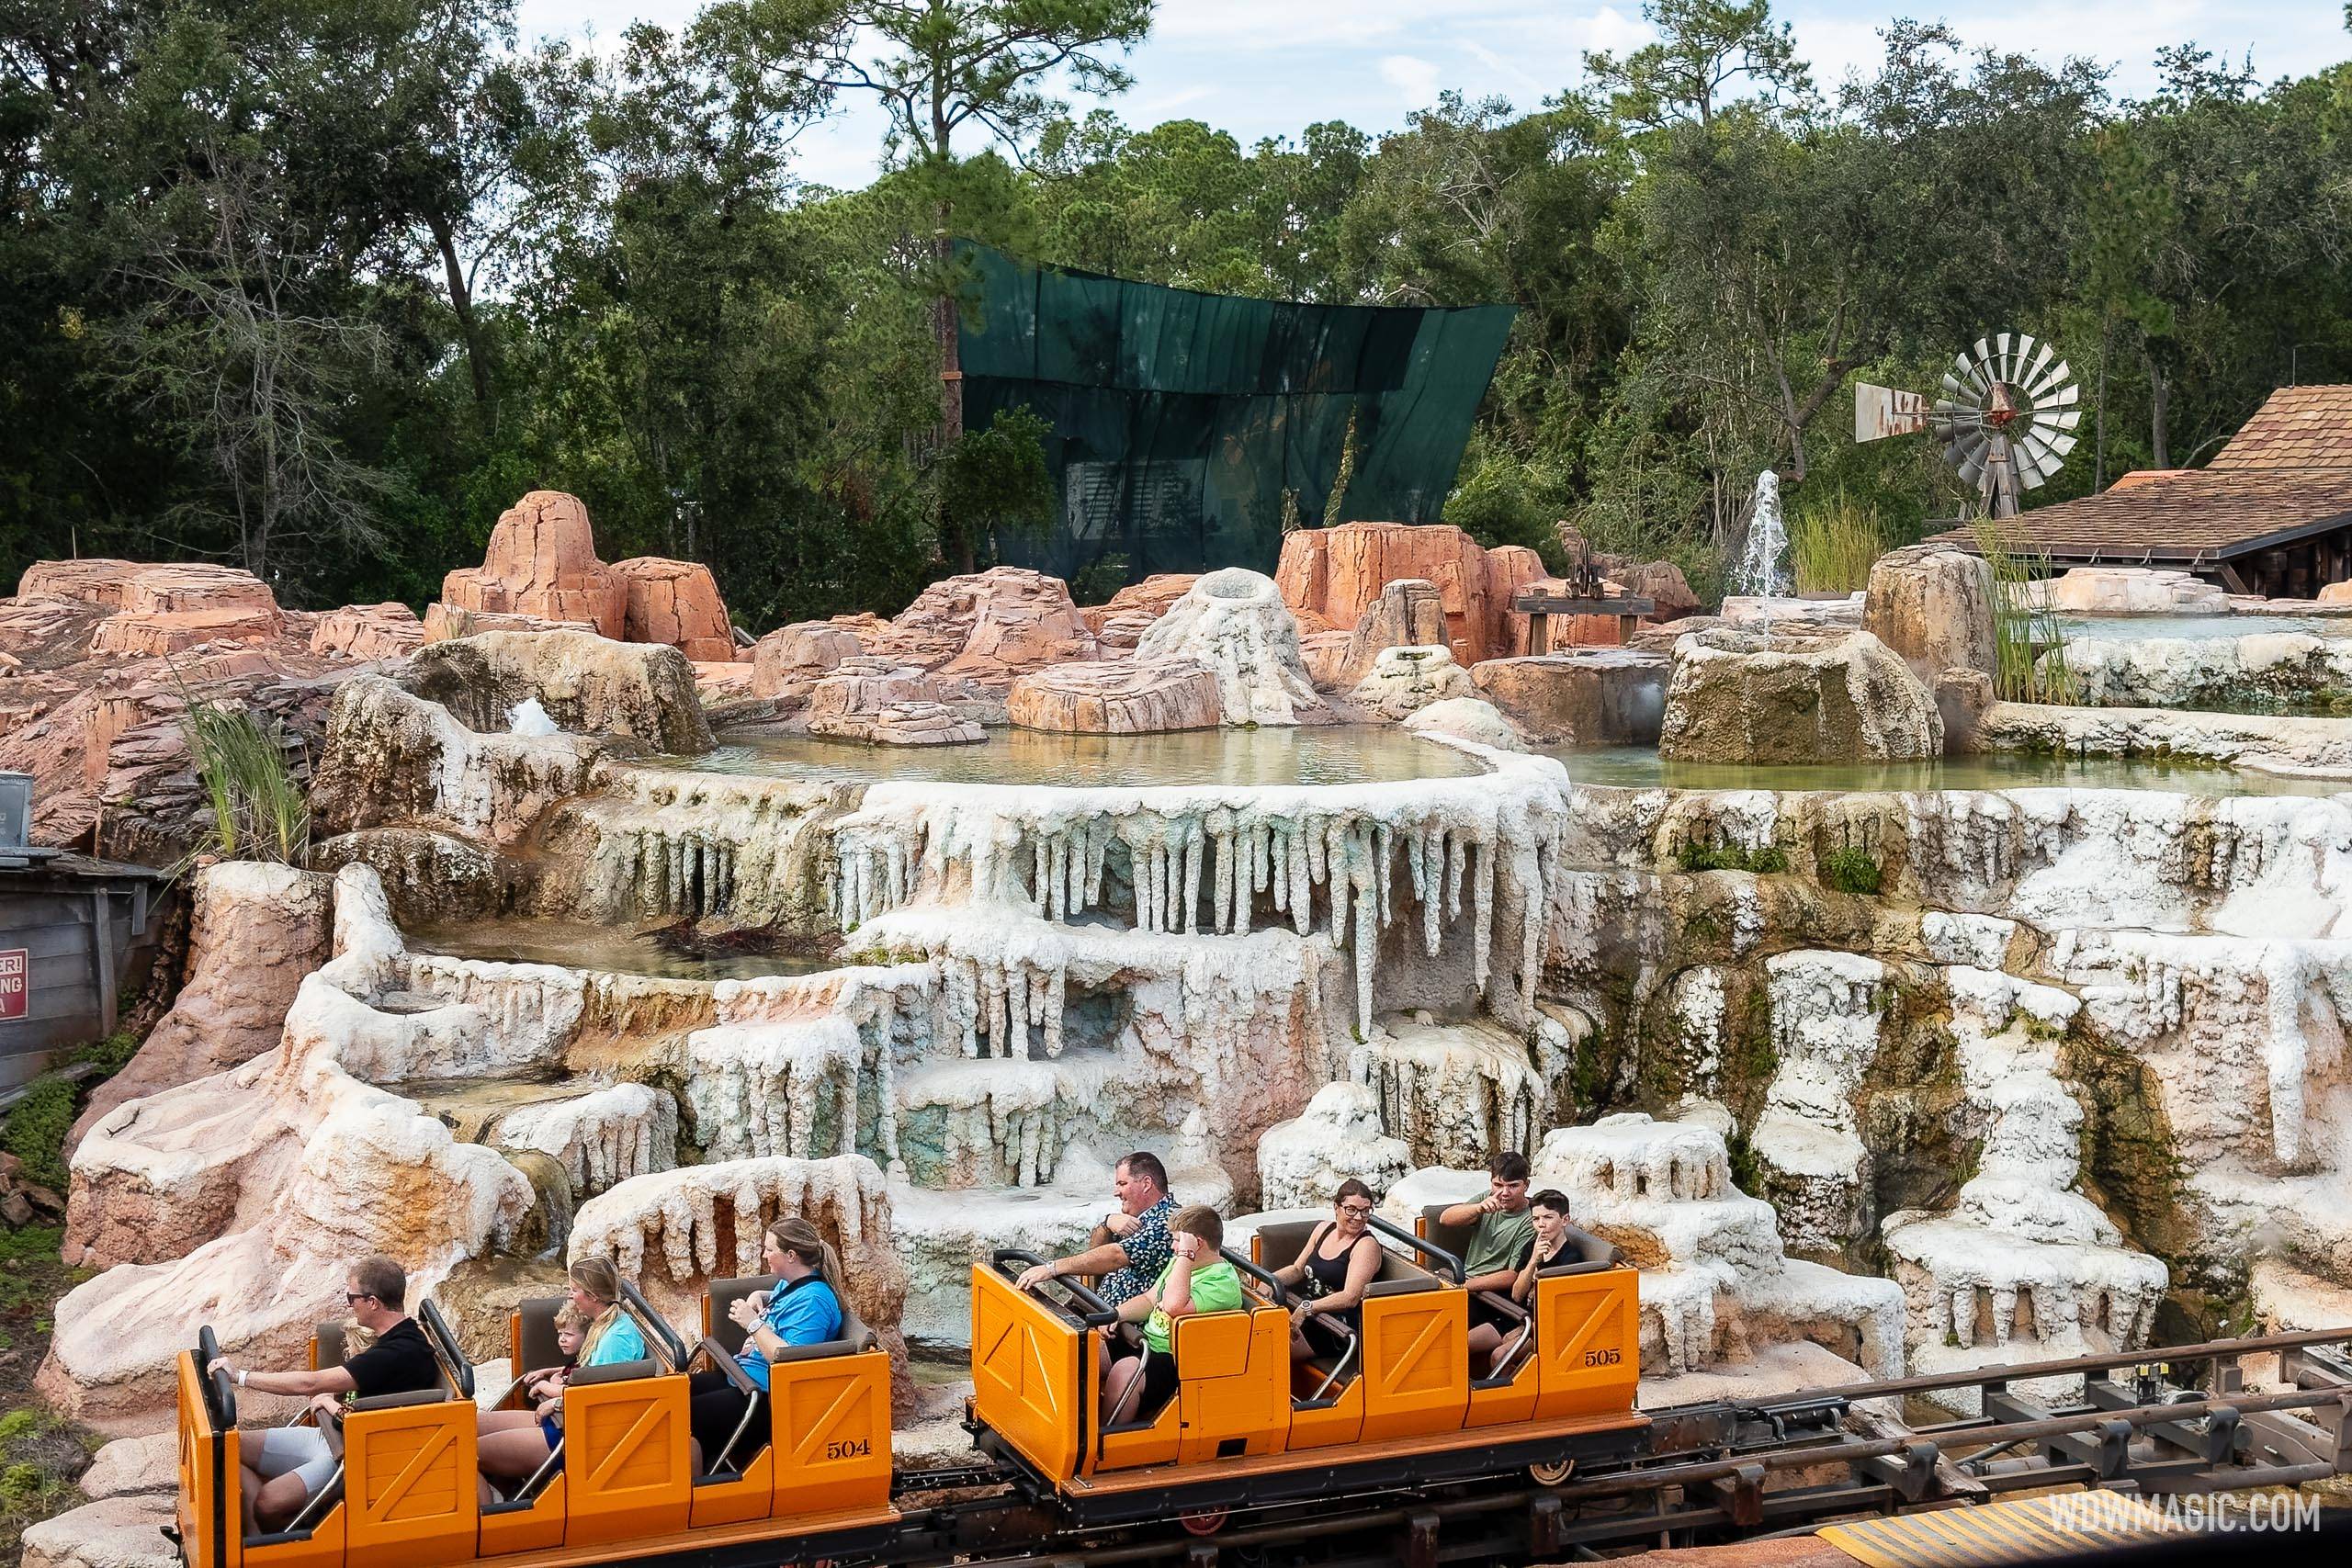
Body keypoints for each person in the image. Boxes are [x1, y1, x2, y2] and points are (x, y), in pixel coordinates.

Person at [206, 1255, 443, 1533]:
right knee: (231, 1448)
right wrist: (332, 1402)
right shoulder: (403, 1333)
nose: (350, 1305)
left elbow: (310, 1384)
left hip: (348, 1453)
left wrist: (239, 1377)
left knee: (267, 1504)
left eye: (351, 1298)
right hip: (333, 1434)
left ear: (373, 1303)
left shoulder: (397, 1353)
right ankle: (253, 1538)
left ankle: (292, 1541)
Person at [684, 1217, 847, 1472]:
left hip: (766, 1400)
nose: (764, 1255)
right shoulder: (790, 1283)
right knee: (672, 1397)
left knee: (686, 1419)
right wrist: (761, 1295)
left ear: (791, 1255)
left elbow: (789, 1362)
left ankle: (690, 1495)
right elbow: (784, 1302)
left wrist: (753, 1324)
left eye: (770, 1250)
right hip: (742, 1377)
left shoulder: (814, 1301)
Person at [476, 1258, 651, 1491]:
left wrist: (556, 1402)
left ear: (593, 1296)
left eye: (574, 1290)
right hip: (563, 1421)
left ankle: (490, 1517)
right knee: (475, 1424)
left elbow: (602, 1400)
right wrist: (554, 1371)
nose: (570, 1295)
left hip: (576, 1438)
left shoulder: (615, 1340)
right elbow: (590, 1375)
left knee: (471, 1453)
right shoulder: (602, 1322)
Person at [1101, 1204, 1245, 1424]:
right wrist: (1116, 1315)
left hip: (1182, 1363)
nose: (1172, 1246)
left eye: (1177, 1240)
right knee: (1090, 1347)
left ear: (1197, 1243)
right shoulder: (1180, 1264)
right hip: (1148, 1343)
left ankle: (1108, 1443)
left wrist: (1185, 1255)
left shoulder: (1222, 1283)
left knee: (1125, 1372)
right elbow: (1151, 1299)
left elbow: (1174, 1307)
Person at [1012, 1152, 1176, 1307]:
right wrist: (1106, 1224)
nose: (1116, 1192)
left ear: (1146, 1184)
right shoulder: (1138, 1217)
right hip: (1099, 1312)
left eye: (1122, 1184)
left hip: (1126, 1328)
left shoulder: (1169, 1220)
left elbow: (1116, 1255)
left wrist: (1052, 1268)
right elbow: (1096, 1254)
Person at [1268, 1179, 1383, 1362]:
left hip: (1334, 1325)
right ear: (1336, 1207)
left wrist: (1306, 1309)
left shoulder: (1366, 1246)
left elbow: (1350, 1297)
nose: (1359, 1217)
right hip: (1305, 1307)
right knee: (1258, 1329)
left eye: (1365, 1211)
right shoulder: (1323, 1229)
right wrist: (1269, 1281)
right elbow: (1298, 1269)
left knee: (1269, 1348)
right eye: (1351, 1209)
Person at [1469, 1188, 1576, 1374]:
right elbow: (1517, 1294)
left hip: (1541, 1327)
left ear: (1564, 1220)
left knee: (1499, 1355)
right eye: (1536, 1219)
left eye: (1548, 1218)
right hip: (1518, 1316)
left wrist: (1522, 1331)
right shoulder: (1531, 1248)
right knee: (1462, 1344)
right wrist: (1533, 1261)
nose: (1541, 1225)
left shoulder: (1570, 1258)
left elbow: (1561, 1311)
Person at [1440, 1151, 1535, 1342]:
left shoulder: (1531, 1219)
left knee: (1444, 1330)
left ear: (1526, 1185)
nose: (1504, 1193)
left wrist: (1463, 1287)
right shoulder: (1488, 1198)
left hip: (1492, 1294)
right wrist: (1478, 1208)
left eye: (1513, 1186)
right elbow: (1445, 1219)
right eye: (1498, 1185)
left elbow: (1511, 1275)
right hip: (1464, 1280)